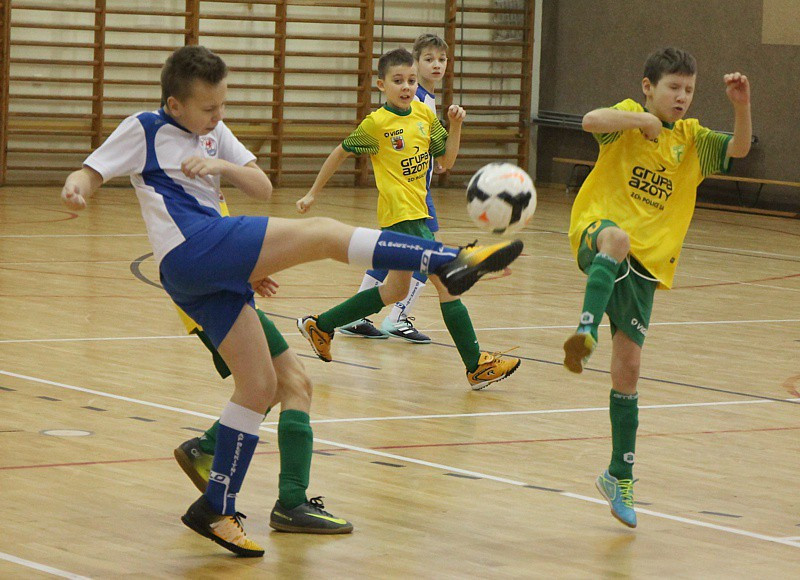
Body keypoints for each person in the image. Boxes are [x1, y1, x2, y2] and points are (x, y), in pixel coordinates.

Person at [60, 45, 523, 557]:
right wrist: (76, 188)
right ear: (175, 105)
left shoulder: (215, 132)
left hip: (206, 274)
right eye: (209, 109)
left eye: (222, 105)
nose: (219, 115)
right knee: (324, 232)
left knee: (261, 386)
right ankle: (448, 259)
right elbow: (93, 170)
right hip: (191, 250)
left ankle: (216, 505)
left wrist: (219, 162)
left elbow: (261, 185)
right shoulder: (145, 128)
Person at [562, 47, 751, 528]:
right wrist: (638, 122)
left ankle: (617, 475)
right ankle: (584, 332)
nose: (682, 97)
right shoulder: (629, 115)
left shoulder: (693, 140)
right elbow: (588, 120)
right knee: (617, 238)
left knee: (629, 371)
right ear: (649, 87)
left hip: (646, 268)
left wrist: (741, 106)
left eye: (689, 90)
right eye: (673, 88)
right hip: (597, 233)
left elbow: (740, 149)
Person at [295, 47, 521, 390]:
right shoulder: (376, 124)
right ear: (380, 84)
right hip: (401, 217)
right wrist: (313, 192)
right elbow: (340, 152)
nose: (406, 87)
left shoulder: (424, 115)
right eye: (398, 81)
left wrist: (456, 126)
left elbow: (445, 161)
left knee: (394, 289)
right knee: (447, 282)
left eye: (411, 80)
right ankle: (476, 366)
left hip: (420, 211)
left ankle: (321, 325)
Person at [339, 33, 450, 344]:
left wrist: (437, 157)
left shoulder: (425, 99)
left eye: (441, 59)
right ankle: (397, 316)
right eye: (429, 59)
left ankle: (357, 316)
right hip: (411, 194)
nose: (436, 65)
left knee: (395, 256)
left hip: (416, 189)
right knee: (427, 257)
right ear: (415, 63)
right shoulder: (415, 100)